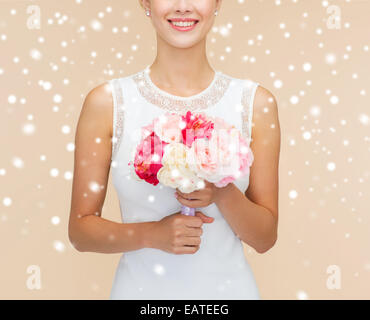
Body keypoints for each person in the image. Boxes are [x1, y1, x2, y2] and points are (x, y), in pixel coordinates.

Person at [68, 0, 281, 300]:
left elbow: (264, 238)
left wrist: (220, 191)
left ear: (217, 2)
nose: (183, 6)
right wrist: (151, 234)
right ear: (145, 2)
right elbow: (80, 231)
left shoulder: (255, 104)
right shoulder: (109, 104)